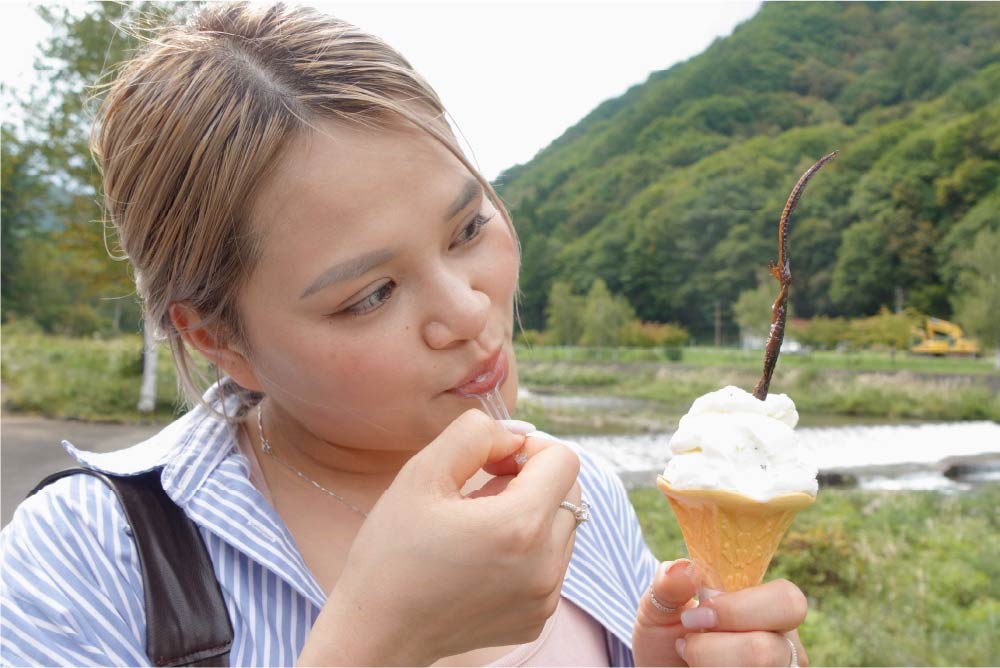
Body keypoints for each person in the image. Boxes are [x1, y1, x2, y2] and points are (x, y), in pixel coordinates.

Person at [0, 3, 811, 666]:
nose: (465, 310)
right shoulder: (88, 562)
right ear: (217, 338)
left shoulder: (578, 491)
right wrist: (376, 644)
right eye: (371, 293)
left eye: (467, 228)